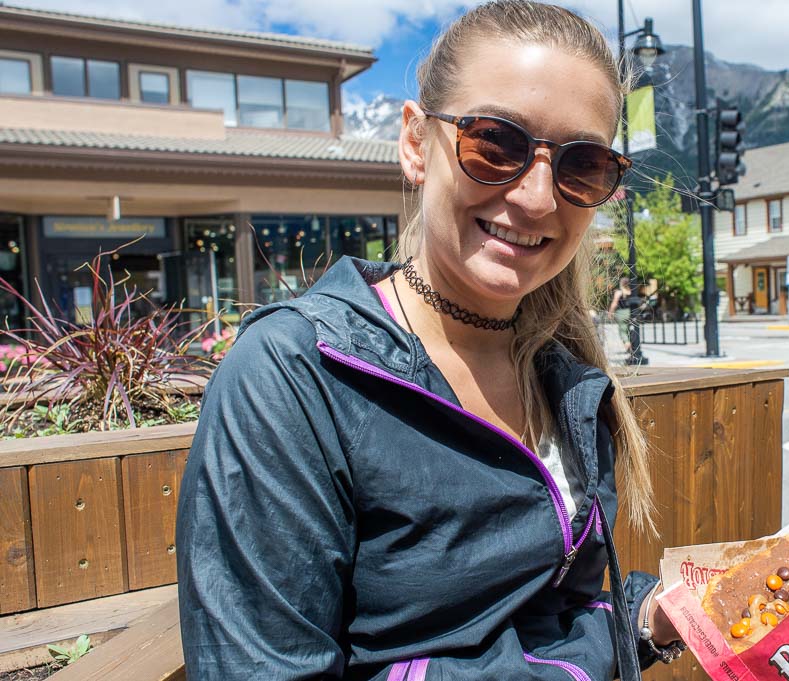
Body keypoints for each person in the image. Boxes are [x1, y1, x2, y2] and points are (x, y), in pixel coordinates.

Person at [176, 3, 683, 679]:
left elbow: (545, 618)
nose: (536, 198)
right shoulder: (296, 376)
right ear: (416, 143)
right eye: (495, 143)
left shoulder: (561, 374)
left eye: (581, 165)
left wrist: (653, 609)